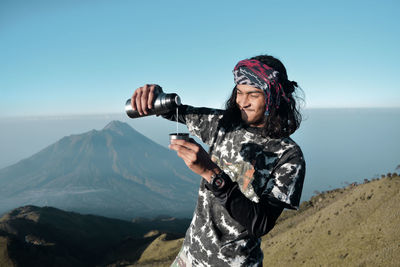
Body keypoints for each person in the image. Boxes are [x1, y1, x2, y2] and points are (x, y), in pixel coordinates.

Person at [130, 54, 306, 267]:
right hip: (188, 257)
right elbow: (174, 111)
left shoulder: (289, 156)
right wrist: (154, 94)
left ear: (275, 97)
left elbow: (261, 223)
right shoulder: (222, 124)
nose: (243, 102)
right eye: (239, 92)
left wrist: (211, 174)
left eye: (253, 94)